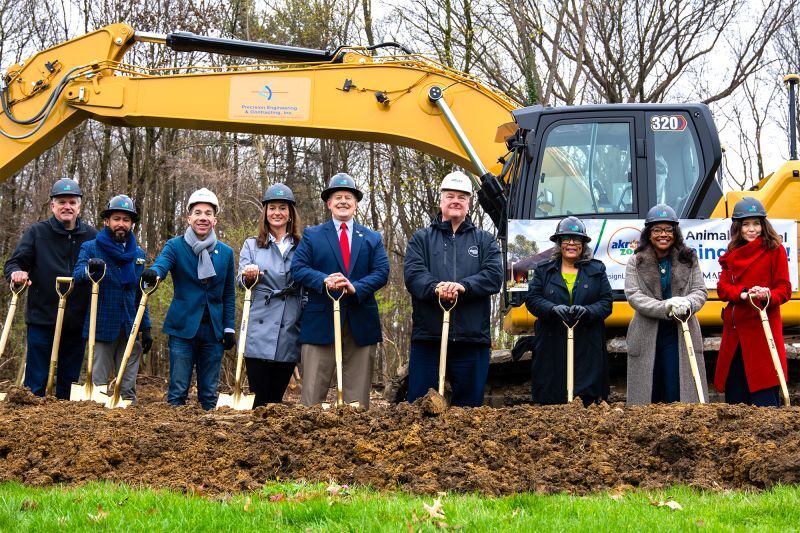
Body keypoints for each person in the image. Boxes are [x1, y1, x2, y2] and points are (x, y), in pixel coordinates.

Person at [404, 171, 503, 407]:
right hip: (429, 336)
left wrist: (463, 287)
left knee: (468, 409)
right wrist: (436, 288)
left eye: (462, 196)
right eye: (450, 196)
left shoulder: (485, 240)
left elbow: (493, 276)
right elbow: (414, 275)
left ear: (469, 203)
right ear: (441, 201)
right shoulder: (421, 239)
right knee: (420, 404)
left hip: (472, 338)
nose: (456, 200)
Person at [291, 173, 389, 408]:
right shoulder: (312, 235)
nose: (343, 201)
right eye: (338, 197)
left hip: (360, 320)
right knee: (312, 398)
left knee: (356, 402)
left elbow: (381, 271)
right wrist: (325, 280)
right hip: (319, 321)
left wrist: (355, 287)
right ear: (329, 203)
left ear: (356, 203)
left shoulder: (371, 238)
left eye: (348, 197)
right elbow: (298, 268)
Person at [141, 188, 236, 410]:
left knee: (209, 394)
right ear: (189, 218)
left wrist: (229, 327)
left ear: (215, 220)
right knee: (178, 392)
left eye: (208, 213)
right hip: (182, 329)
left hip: (214, 330)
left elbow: (228, 293)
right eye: (198, 212)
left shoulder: (226, 252)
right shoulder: (175, 246)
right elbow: (162, 264)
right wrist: (154, 273)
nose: (203, 217)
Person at [3, 178, 97, 398]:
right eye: (61, 202)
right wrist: (17, 273)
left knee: (69, 385)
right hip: (43, 318)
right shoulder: (37, 233)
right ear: (53, 205)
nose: (67, 206)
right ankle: (30, 424)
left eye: (72, 202)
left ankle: (65, 428)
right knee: (36, 383)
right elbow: (13, 263)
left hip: (76, 320)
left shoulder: (92, 236)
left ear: (79, 206)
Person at [625, 204, 708, 405]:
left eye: (668, 229)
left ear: (675, 232)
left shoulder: (689, 259)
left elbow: (700, 291)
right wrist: (666, 307)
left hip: (680, 331)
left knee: (677, 390)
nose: (663, 234)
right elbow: (633, 295)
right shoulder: (635, 261)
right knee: (649, 392)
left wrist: (687, 303)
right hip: (646, 332)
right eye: (657, 230)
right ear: (649, 233)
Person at [524, 216, 612, 405]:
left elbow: (606, 303)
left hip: (587, 344)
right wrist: (552, 308)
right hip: (552, 343)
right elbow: (532, 299)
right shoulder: (543, 270)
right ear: (559, 243)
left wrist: (588, 311)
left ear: (583, 243)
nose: (571, 243)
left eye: (576, 239)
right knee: (552, 395)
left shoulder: (596, 270)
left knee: (587, 399)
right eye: (566, 239)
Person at [72, 195, 151, 403]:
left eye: (126, 220)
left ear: (132, 223)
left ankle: (128, 428)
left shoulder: (138, 254)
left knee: (127, 390)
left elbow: (140, 293)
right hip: (101, 327)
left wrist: (146, 327)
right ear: (107, 221)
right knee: (97, 387)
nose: (121, 224)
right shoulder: (91, 248)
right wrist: (91, 268)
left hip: (129, 327)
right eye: (116, 219)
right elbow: (77, 275)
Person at [714, 197, 792, 407]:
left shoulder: (775, 250)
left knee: (764, 393)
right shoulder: (731, 254)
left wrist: (767, 295)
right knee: (736, 397)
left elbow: (784, 289)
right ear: (738, 228)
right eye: (746, 224)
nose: (752, 229)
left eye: (756, 223)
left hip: (762, 331)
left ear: (763, 225)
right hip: (735, 332)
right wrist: (742, 294)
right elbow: (723, 288)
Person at [238, 183, 303, 407]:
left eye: (283, 208)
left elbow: (306, 283)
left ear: (290, 213)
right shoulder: (252, 245)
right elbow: (240, 281)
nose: (277, 213)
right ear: (265, 212)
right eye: (272, 207)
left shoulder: (302, 246)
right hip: (259, 324)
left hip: (289, 323)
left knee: (275, 399)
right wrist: (249, 276)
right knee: (259, 398)